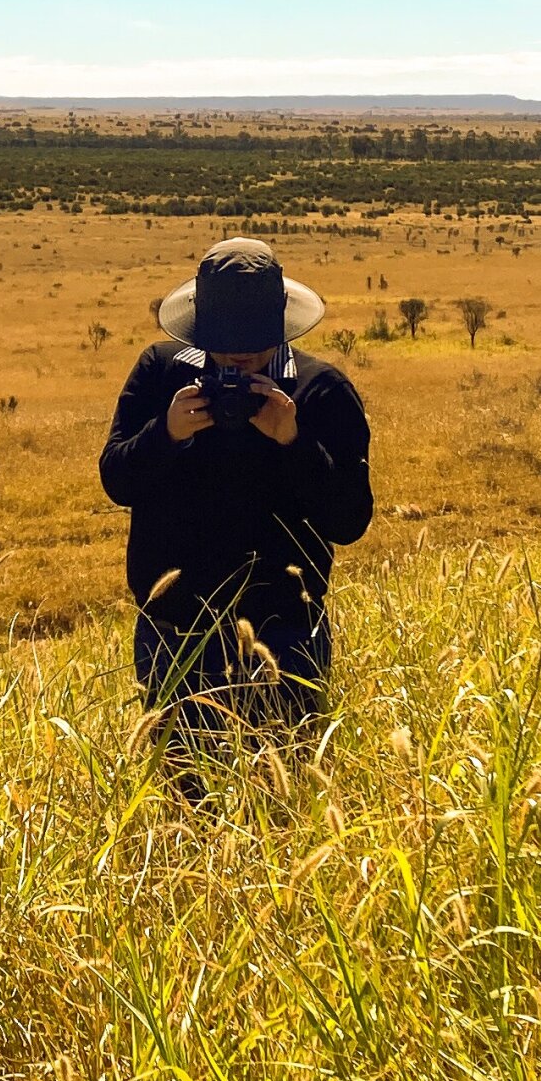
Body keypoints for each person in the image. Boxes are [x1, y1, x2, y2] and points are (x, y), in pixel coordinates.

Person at [100, 235, 373, 746]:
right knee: (182, 803)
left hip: (284, 632)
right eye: (222, 348)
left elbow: (350, 519)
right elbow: (117, 479)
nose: (236, 360)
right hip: (173, 629)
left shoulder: (321, 390)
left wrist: (294, 441)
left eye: (252, 348)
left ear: (280, 328)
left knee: (284, 798)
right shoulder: (161, 374)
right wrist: (166, 433)